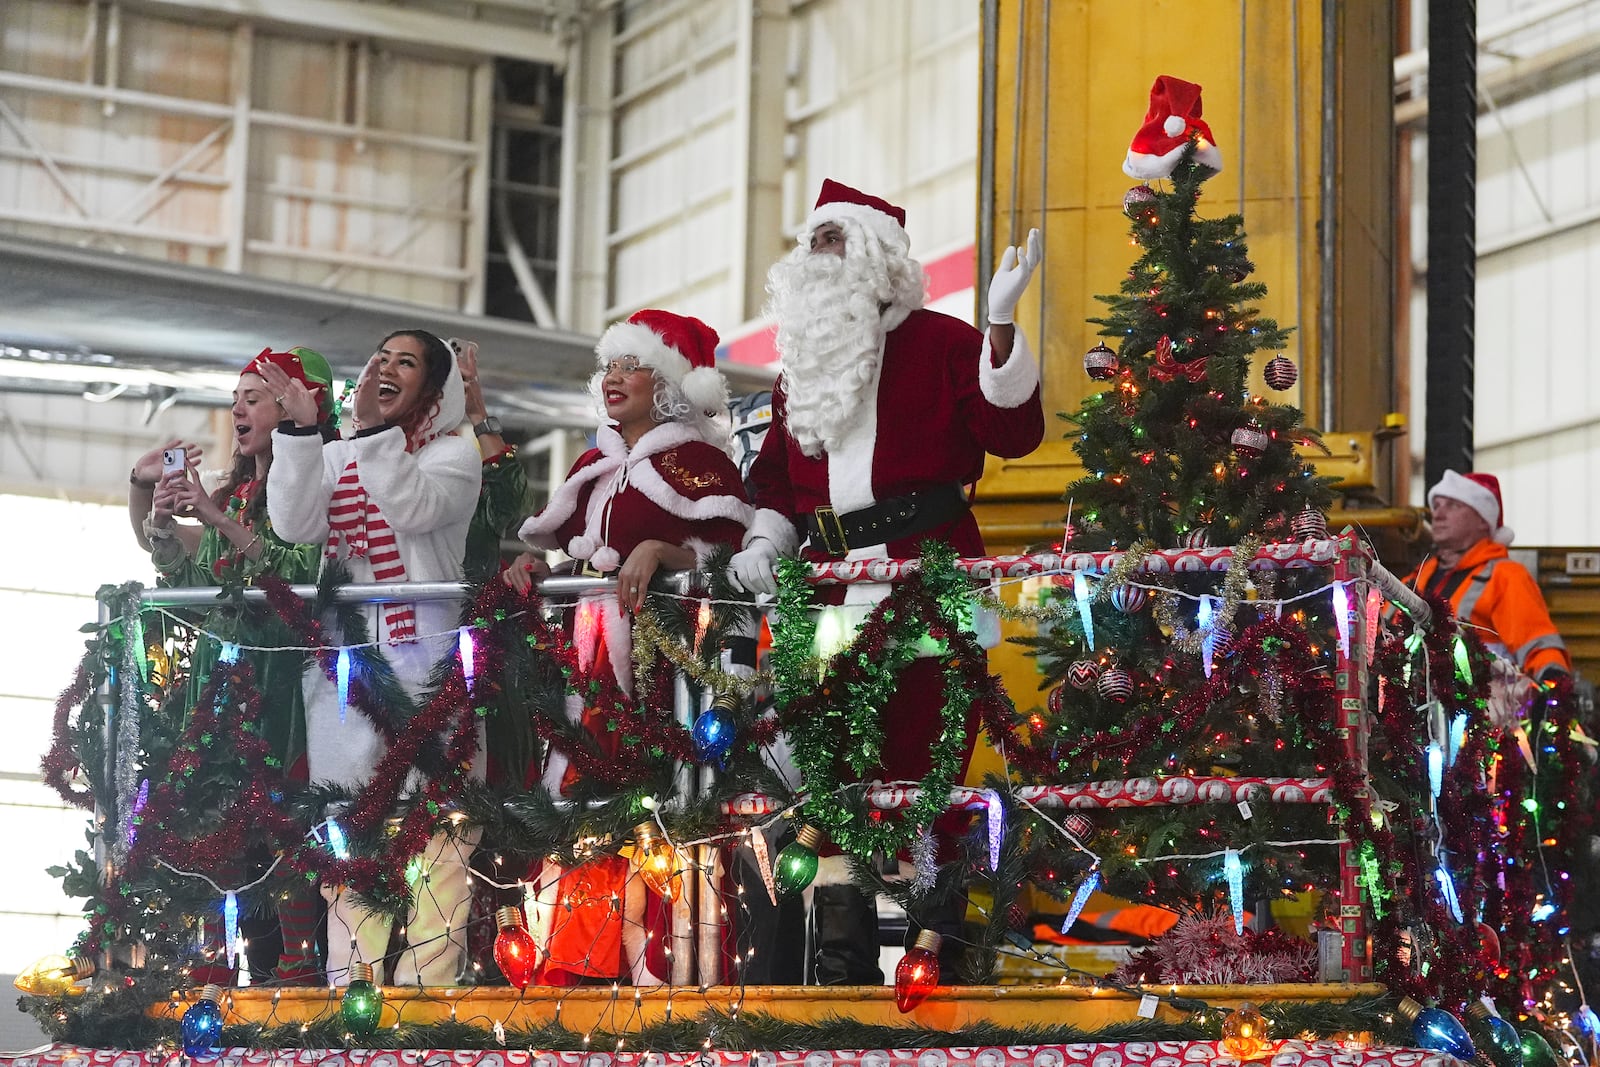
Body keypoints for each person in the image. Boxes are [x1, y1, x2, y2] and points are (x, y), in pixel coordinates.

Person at [726, 178, 1046, 983]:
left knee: (926, 765)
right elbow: (774, 479)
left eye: (838, 240)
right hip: (829, 588)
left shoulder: (941, 341)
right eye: (815, 241)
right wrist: (770, 534)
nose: (820, 255)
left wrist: (1000, 329)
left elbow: (1016, 429)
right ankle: (844, 961)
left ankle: (939, 957)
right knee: (834, 779)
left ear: (879, 256)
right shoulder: (796, 371)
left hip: (928, 571)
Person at [505, 308, 753, 985]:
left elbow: (727, 555)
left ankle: (662, 971)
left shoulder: (699, 463)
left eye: (631, 365)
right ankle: (579, 967)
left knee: (657, 810)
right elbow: (567, 548)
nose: (613, 378)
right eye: (608, 365)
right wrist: (537, 570)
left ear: (667, 381)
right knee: (582, 809)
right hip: (589, 667)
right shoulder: (595, 462)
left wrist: (667, 549)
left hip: (664, 670)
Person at [262, 328, 484, 986]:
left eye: (406, 362)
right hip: (347, 673)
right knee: (350, 832)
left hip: (427, 670)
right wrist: (304, 437)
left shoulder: (455, 453)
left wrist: (367, 435)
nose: (384, 367)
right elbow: (294, 523)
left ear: (432, 391)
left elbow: (410, 505)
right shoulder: (346, 450)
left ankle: (426, 1004)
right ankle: (351, 999)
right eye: (381, 357)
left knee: (438, 838)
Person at [130, 346, 336, 984]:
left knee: (288, 820)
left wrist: (214, 516)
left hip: (286, 682)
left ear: (297, 405)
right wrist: (151, 500)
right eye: (235, 398)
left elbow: (297, 573)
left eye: (255, 397)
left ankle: (300, 971)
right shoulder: (237, 489)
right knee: (222, 820)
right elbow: (180, 564)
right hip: (223, 683)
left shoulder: (318, 476)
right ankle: (225, 963)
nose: (238, 410)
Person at [1409, 469, 1570, 683]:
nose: (1438, 514)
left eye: (1453, 505)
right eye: (1436, 505)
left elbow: (1538, 644)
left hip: (1482, 709)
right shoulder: (1419, 576)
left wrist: (1554, 684)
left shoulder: (1506, 577)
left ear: (1484, 521)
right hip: (1410, 707)